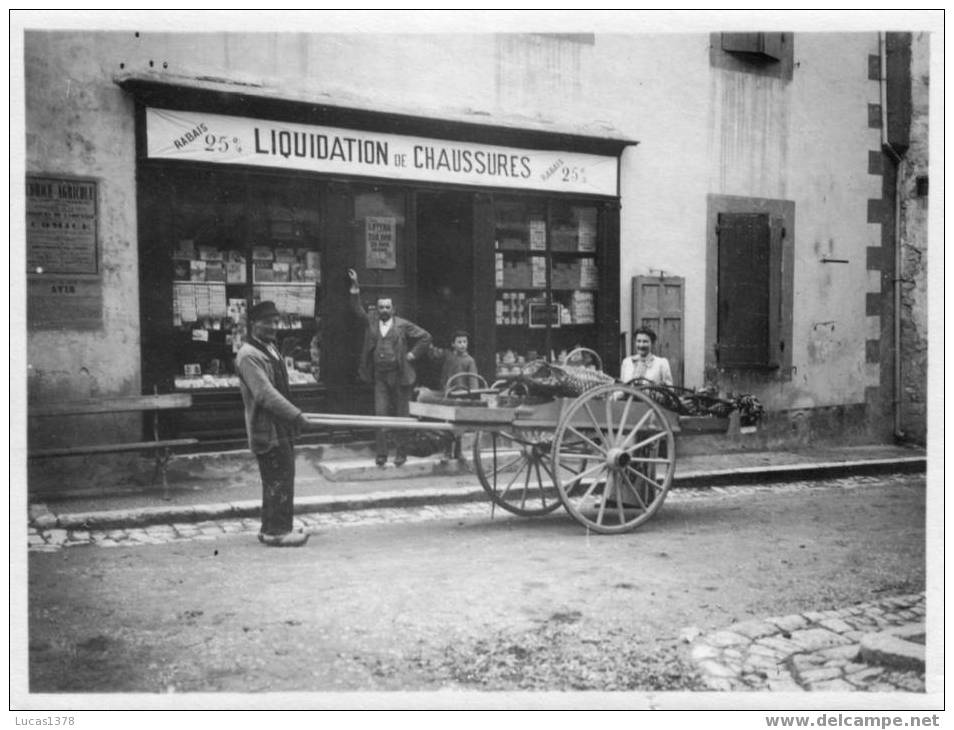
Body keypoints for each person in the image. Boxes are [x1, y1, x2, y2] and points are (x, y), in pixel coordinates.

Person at [235, 300, 312, 547]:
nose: (272, 327)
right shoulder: (249, 355)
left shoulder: (270, 348)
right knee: (278, 475)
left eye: (275, 322)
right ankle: (278, 532)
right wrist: (296, 415)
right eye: (266, 322)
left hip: (281, 425)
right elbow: (264, 394)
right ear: (253, 325)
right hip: (266, 427)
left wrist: (292, 418)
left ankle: (271, 527)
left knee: (282, 475)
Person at [348, 268, 432, 467]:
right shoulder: (372, 322)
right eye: (381, 307)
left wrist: (412, 354)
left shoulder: (402, 325)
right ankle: (382, 453)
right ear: (377, 310)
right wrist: (355, 287)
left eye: (387, 307)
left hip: (401, 375)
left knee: (402, 416)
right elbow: (356, 309)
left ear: (393, 309)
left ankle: (401, 453)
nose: (384, 310)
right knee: (381, 414)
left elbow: (425, 337)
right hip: (380, 376)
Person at [429, 329, 480, 460]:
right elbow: (434, 354)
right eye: (459, 342)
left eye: (464, 342)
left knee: (458, 426)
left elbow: (473, 380)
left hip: (461, 396)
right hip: (448, 394)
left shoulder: (470, 361)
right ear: (453, 344)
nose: (462, 344)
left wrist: (473, 396)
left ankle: (458, 451)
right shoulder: (448, 356)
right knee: (447, 423)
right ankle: (447, 451)